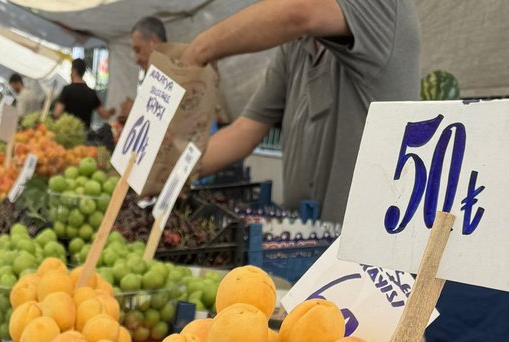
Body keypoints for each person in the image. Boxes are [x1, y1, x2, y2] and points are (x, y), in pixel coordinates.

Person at [179, 0, 421, 222]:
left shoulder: (383, 8)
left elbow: (299, 13)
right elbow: (244, 130)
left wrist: (199, 50)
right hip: (306, 242)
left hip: (368, 248)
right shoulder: (296, 48)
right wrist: (171, 172)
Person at [53, 58, 115, 131]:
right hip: (84, 136)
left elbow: (57, 113)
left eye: (71, 71)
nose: (70, 74)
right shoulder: (91, 93)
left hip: (68, 133)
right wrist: (111, 111)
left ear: (74, 71)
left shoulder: (67, 90)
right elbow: (105, 115)